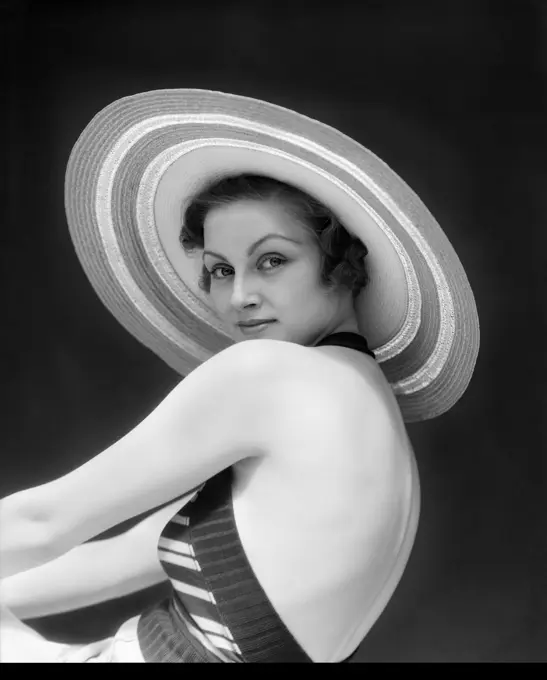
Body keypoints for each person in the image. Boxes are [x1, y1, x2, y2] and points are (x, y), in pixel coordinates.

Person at [0, 89, 479, 663]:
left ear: (344, 264)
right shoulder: (360, 406)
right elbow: (119, 558)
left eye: (272, 260)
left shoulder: (273, 377)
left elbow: (41, 523)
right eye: (220, 270)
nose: (240, 296)